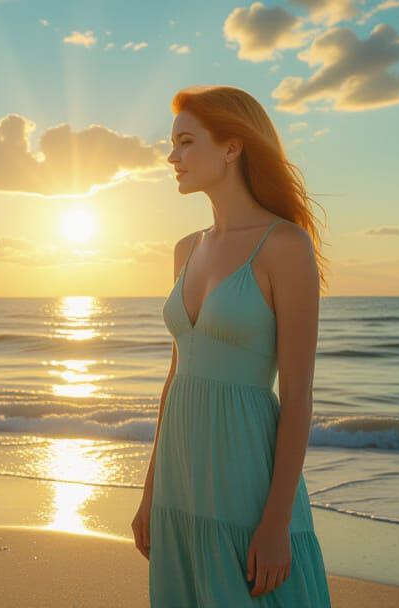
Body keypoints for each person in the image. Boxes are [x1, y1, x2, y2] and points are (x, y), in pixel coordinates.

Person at [134, 85, 333, 606]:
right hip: (181, 481)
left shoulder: (285, 246)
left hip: (247, 482)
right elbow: (175, 377)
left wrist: (275, 522)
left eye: (185, 142)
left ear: (232, 146)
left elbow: (298, 395)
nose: (172, 157)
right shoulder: (185, 249)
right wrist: (150, 492)